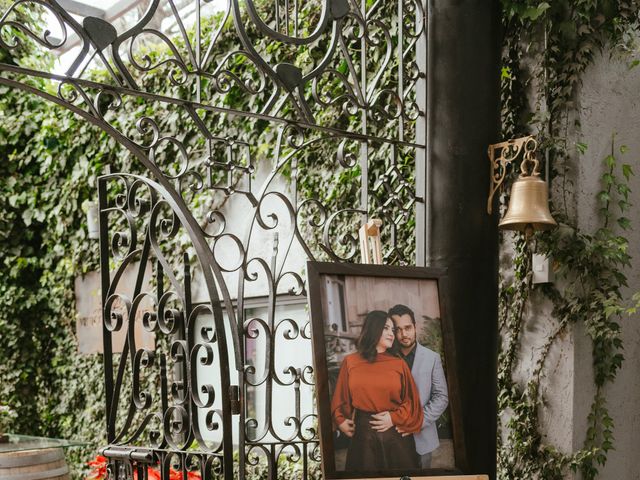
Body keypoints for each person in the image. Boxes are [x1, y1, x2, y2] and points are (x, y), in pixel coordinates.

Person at [331, 310, 423, 472]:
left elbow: (411, 401)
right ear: (374, 329)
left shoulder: (399, 364)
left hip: (396, 437)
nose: (392, 334)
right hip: (363, 437)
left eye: (392, 330)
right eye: (386, 328)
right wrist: (340, 421)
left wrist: (393, 417)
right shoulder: (350, 362)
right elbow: (340, 397)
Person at [388, 304, 449, 469]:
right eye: (398, 329)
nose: (403, 334)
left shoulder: (432, 358)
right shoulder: (386, 359)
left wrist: (417, 421)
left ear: (415, 327)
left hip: (422, 437)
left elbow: (441, 397)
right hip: (391, 436)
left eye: (407, 328)